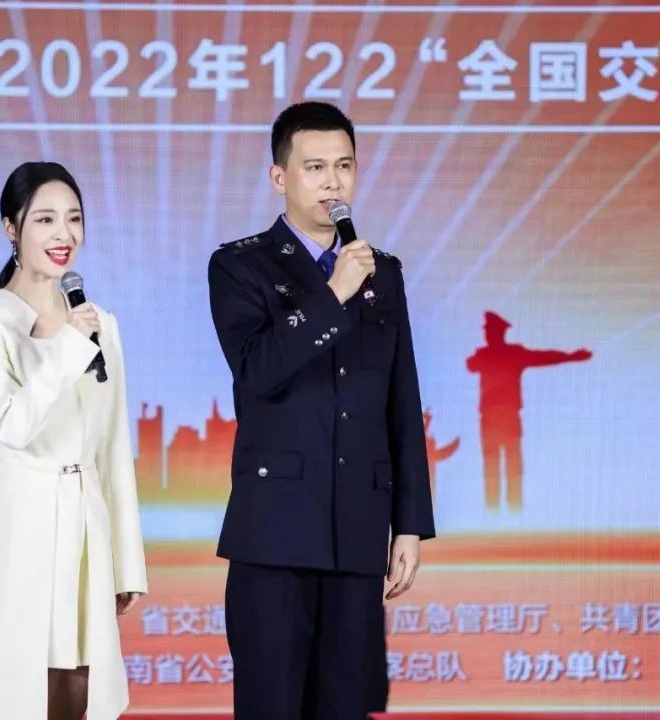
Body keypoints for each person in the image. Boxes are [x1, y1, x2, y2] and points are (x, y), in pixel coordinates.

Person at [207, 101, 436, 719]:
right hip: (274, 536)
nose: (333, 182)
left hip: (358, 533)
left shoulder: (382, 273)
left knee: (345, 706)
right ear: (279, 177)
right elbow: (258, 369)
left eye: (344, 165)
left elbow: (401, 400)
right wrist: (333, 293)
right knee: (272, 705)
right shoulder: (240, 265)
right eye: (315, 167)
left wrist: (409, 524)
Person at [0, 161, 147, 720]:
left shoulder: (100, 322)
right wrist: (67, 348)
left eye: (74, 218)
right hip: (17, 522)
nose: (64, 234)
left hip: (85, 524)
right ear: (12, 228)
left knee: (78, 687)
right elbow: (11, 426)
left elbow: (112, 447)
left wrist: (127, 561)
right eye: (46, 219)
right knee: (9, 688)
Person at [466, 311, 591, 511]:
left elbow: (543, 357)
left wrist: (570, 357)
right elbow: (471, 365)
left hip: (501, 417)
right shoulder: (499, 354)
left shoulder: (498, 354)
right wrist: (571, 357)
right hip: (497, 418)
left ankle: (503, 511)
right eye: (486, 331)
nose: (486, 335)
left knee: (505, 466)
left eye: (489, 331)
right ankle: (501, 511)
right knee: (499, 466)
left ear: (498, 333)